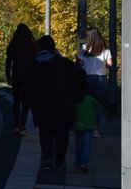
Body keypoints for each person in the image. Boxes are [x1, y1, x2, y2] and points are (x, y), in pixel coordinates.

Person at [29, 34, 88, 170]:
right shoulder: (65, 63)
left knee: (45, 132)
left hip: (42, 106)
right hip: (65, 105)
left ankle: (48, 159)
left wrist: (31, 105)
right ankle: (60, 158)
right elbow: (81, 77)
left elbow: (28, 88)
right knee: (62, 133)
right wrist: (76, 96)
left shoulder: (34, 65)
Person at [77, 27, 113, 132]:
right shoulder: (105, 48)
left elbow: (80, 63)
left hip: (87, 78)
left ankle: (87, 125)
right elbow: (110, 64)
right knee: (98, 104)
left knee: (87, 103)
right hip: (101, 78)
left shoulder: (84, 47)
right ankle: (96, 129)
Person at [4, 23, 36, 135]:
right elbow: (35, 62)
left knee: (16, 100)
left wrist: (8, 76)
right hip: (28, 75)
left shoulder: (13, 45)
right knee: (26, 101)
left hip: (16, 74)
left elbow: (8, 62)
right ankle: (23, 126)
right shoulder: (32, 45)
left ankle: (16, 125)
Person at [72, 89, 109, 173]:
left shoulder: (74, 96)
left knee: (79, 143)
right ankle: (84, 163)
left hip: (76, 123)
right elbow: (101, 106)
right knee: (87, 143)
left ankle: (78, 161)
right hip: (89, 124)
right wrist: (108, 116)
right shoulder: (90, 97)